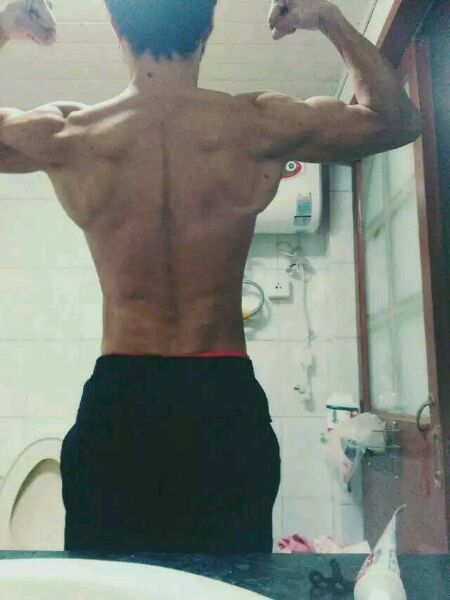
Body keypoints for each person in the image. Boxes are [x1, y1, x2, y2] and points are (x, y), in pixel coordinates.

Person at [0, 0, 421, 553]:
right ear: (210, 27)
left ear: (116, 27)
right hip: (222, 401)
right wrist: (327, 18)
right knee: (227, 580)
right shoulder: (257, 124)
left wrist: (4, 25)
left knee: (109, 585)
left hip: (120, 403)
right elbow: (395, 120)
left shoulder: (70, 134)